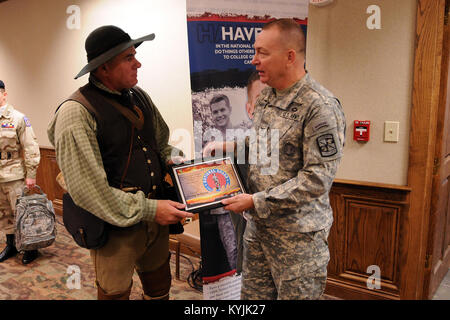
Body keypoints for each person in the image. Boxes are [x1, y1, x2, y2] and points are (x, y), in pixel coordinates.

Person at [204, 18, 346, 300]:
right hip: (258, 230)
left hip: (298, 238)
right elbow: (263, 143)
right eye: (255, 51)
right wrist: (228, 145)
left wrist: (256, 201)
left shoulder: (320, 106)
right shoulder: (267, 95)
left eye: (262, 53)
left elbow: (316, 180)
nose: (254, 60)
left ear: (290, 56)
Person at [47, 25, 192, 300]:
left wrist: (177, 160)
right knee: (114, 294)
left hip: (156, 217)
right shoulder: (76, 113)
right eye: (128, 58)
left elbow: (161, 143)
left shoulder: (140, 97)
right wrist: (151, 210)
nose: (138, 63)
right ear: (103, 69)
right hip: (114, 230)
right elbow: (91, 191)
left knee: (160, 287)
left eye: (134, 55)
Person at [0, 80, 41, 265]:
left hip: (14, 174)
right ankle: (11, 245)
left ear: (4, 94)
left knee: (22, 213)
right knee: (4, 213)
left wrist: (31, 174)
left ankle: (32, 248)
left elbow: (31, 147)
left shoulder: (18, 118)